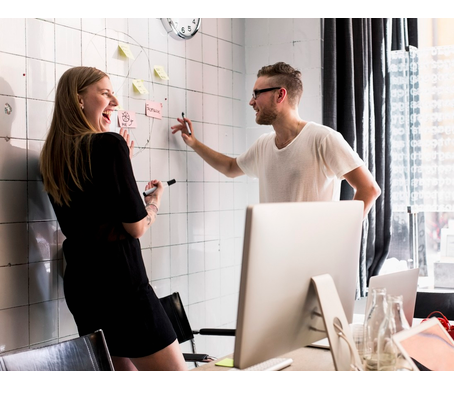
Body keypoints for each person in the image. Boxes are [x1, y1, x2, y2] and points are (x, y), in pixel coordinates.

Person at [39, 66, 187, 371]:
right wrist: (154, 202)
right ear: (79, 98)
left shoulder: (53, 156)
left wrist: (121, 168)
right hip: (123, 286)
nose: (115, 101)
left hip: (83, 286)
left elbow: (93, 207)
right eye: (105, 93)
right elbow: (135, 228)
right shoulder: (109, 145)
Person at [171, 62, 380, 218]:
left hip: (315, 257)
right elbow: (230, 167)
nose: (251, 102)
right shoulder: (264, 144)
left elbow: (369, 189)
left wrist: (339, 235)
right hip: (273, 255)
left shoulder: (323, 138)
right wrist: (194, 143)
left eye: (257, 93)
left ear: (280, 95)